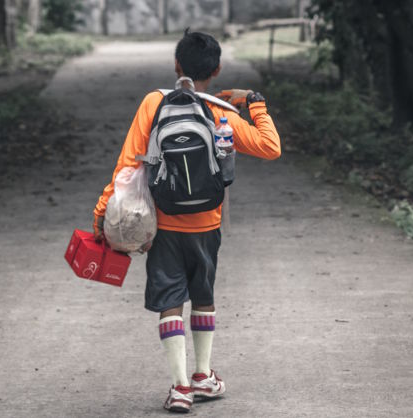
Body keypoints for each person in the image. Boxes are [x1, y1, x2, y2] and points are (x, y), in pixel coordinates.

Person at [91, 30, 281, 413]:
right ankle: (203, 376)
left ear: (177, 66)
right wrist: (255, 103)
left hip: (163, 224)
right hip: (207, 224)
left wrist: (102, 212)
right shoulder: (218, 110)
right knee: (204, 296)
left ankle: (180, 387)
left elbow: (128, 164)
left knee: (170, 301)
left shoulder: (153, 102)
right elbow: (270, 147)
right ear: (218, 69)